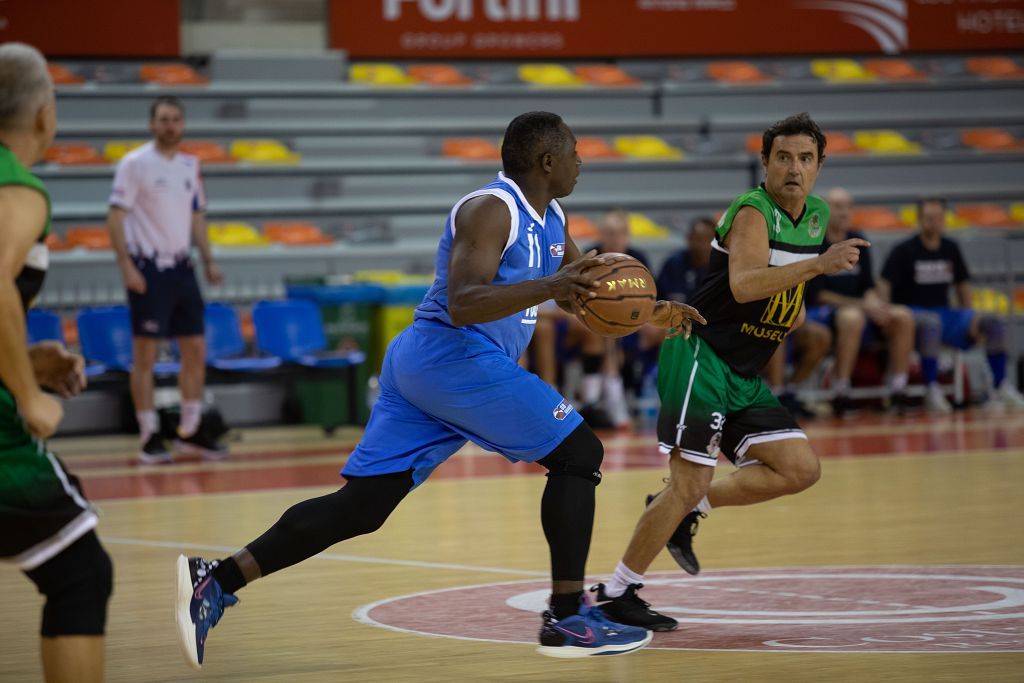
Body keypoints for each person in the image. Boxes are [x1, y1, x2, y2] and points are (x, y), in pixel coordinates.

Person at [173, 111, 704, 667]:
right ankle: (568, 615)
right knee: (579, 452)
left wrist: (654, 311)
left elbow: (582, 293)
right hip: (452, 354)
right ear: (548, 160)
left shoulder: (552, 218)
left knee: (363, 507)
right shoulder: (490, 210)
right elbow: (463, 300)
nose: (581, 162)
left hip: (436, 367)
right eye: (575, 151)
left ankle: (215, 579)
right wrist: (550, 285)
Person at [590, 113, 868, 630]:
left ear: (819, 165)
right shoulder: (752, 211)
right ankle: (615, 591)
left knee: (799, 469)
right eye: (782, 157)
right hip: (701, 353)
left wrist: (794, 307)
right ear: (765, 163)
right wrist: (818, 266)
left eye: (805, 159)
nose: (793, 168)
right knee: (690, 480)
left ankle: (682, 505)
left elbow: (788, 288)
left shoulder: (817, 215)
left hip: (742, 369)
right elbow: (743, 284)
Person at [0, 42, 112, 683]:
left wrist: (28, 357)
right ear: (45, 113)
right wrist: (27, 393)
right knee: (80, 572)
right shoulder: (18, 187)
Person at [107, 96, 225, 463]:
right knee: (146, 355)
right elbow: (115, 217)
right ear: (152, 124)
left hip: (182, 268)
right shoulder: (135, 164)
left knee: (195, 349)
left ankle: (188, 432)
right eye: (163, 119)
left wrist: (207, 260)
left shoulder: (191, 165)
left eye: (175, 119)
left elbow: (197, 218)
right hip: (149, 269)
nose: (170, 125)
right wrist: (126, 265)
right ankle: (148, 433)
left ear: (183, 124)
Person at [877, 197, 1024, 412]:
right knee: (931, 322)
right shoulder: (903, 250)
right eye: (929, 218)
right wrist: (888, 313)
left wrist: (970, 314)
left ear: (944, 219)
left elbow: (962, 285)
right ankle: (932, 389)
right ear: (919, 220)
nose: (934, 222)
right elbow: (883, 284)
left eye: (938, 218)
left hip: (947, 314)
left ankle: (1000, 385)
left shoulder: (950, 248)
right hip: (914, 313)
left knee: (992, 322)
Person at [807, 188, 915, 416]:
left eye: (848, 206)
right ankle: (841, 389)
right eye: (838, 207)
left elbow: (867, 286)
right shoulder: (814, 241)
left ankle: (898, 388)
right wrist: (862, 306)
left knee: (902, 315)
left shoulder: (857, 239)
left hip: (856, 308)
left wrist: (875, 303)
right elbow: (819, 295)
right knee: (852, 317)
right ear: (824, 211)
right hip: (821, 312)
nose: (844, 212)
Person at [574, 208, 654, 427]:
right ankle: (612, 404)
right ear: (600, 234)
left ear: (627, 235)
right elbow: (578, 300)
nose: (614, 238)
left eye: (619, 233)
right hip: (593, 323)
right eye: (609, 232)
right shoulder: (590, 257)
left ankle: (593, 402)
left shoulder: (638, 259)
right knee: (603, 331)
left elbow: (650, 300)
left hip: (633, 323)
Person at [655, 215, 714, 304]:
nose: (703, 245)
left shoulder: (721, 269)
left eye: (708, 239)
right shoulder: (673, 264)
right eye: (698, 239)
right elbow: (658, 301)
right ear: (689, 238)